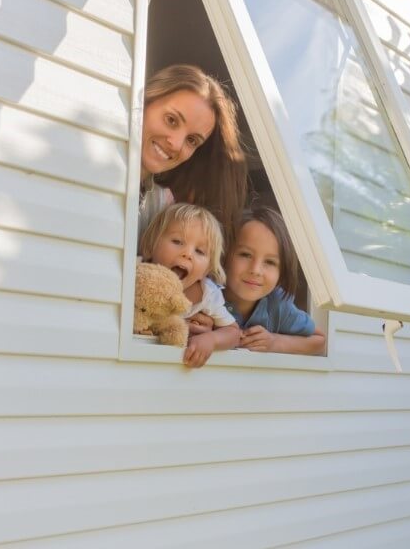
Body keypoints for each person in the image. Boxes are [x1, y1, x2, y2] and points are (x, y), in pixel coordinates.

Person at [138, 64, 247, 247]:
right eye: (171, 120)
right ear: (146, 102)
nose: (176, 144)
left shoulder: (160, 206)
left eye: (192, 140)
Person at [139, 203, 240, 368]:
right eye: (178, 241)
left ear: (205, 271)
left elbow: (234, 333)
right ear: (151, 246)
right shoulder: (138, 276)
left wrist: (211, 340)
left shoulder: (206, 294)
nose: (188, 254)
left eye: (199, 251)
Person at [222, 206, 326, 356]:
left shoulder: (277, 305)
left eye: (270, 262)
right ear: (224, 254)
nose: (256, 270)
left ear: (282, 271)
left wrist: (274, 342)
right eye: (245, 254)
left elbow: (319, 341)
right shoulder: (206, 294)